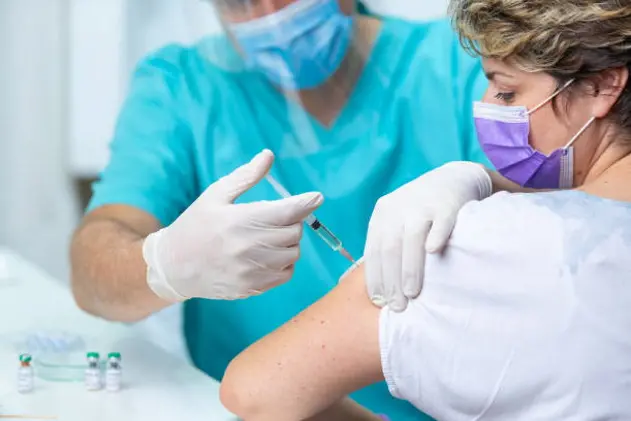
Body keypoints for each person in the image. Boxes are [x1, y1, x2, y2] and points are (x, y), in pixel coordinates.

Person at [69, 0, 490, 418]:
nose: (270, 14)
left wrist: (491, 186)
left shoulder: (468, 62)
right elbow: (93, 272)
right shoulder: (183, 88)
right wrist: (164, 264)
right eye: (240, 2)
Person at [219, 0, 631, 419]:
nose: (489, 110)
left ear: (603, 87)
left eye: (507, 92)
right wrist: (487, 180)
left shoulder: (472, 246)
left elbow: (253, 392)